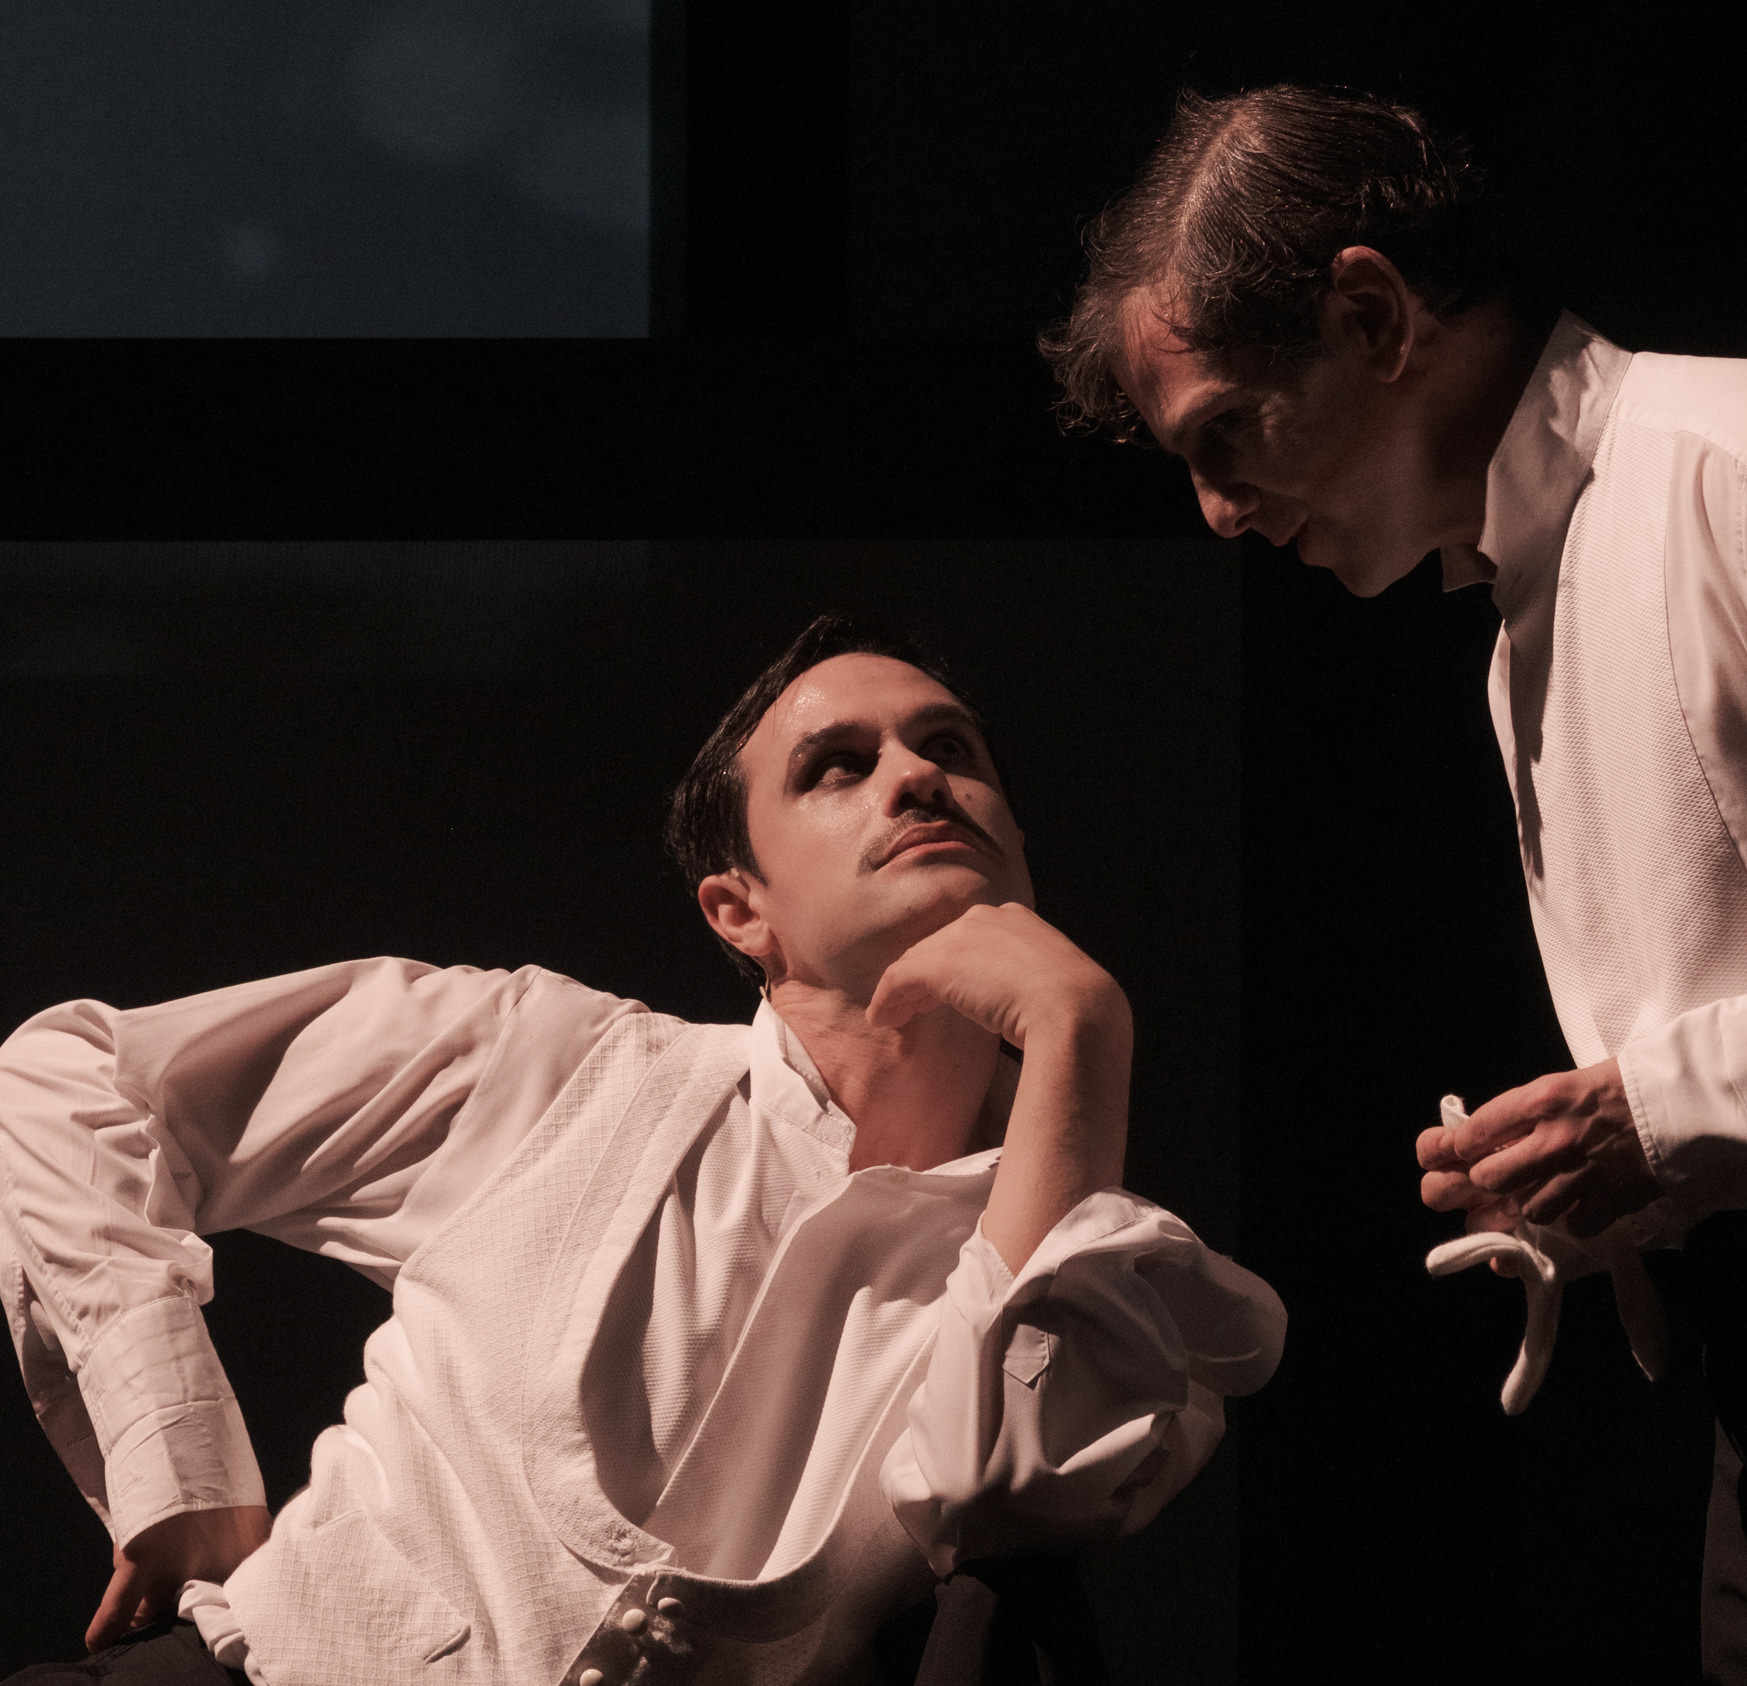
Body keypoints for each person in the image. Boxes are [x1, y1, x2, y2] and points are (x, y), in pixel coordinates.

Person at [1038, 84, 1747, 1682]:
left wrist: (1662, 1107)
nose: (1216, 510)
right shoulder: (1521, 618)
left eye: (1224, 434)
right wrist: (1596, 1175)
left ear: (1369, 314)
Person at [0, 614, 1284, 1686]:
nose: (915, 777)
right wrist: (177, 1458)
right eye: (836, 767)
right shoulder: (554, 1061)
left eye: (948, 748)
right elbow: (66, 1077)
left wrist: (1079, 1027)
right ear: (740, 911)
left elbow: (1000, 1492)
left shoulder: (1110, 1268)